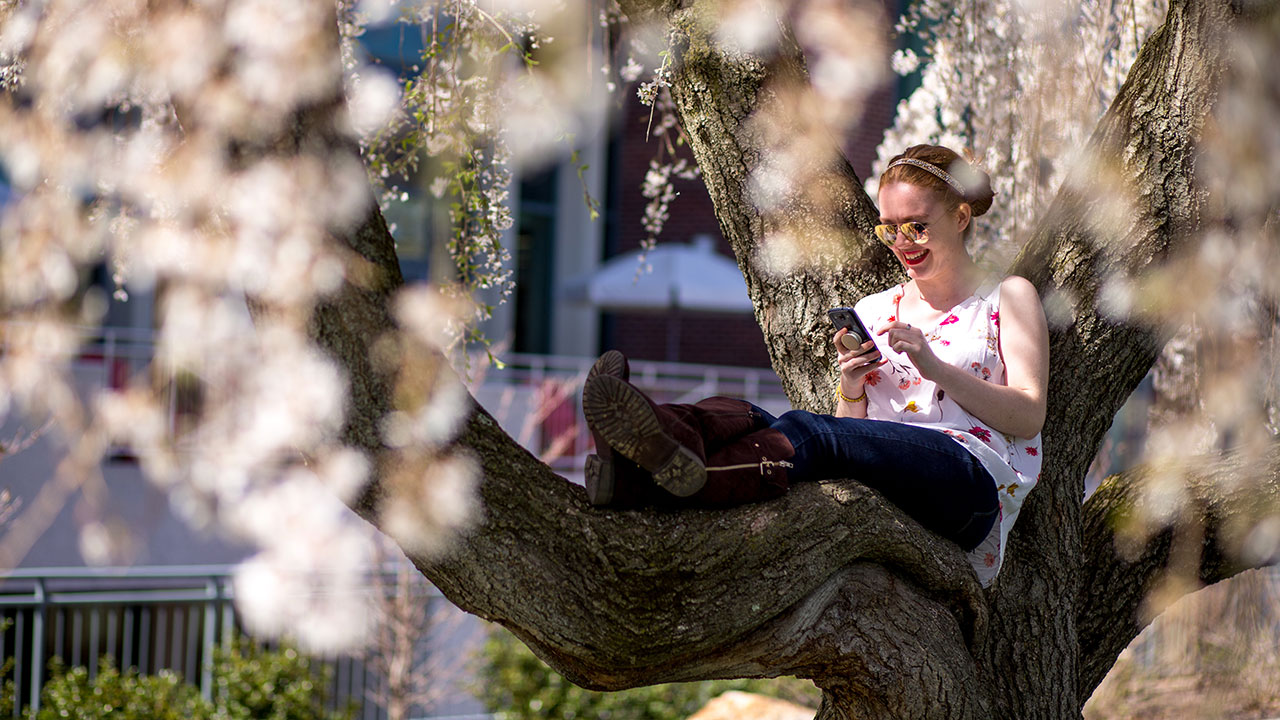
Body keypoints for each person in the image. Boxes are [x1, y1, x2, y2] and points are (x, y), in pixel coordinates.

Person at [581, 144, 1049, 585]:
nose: (902, 242)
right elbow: (853, 437)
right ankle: (633, 461)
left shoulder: (1007, 296)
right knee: (750, 419)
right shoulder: (875, 309)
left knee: (813, 433)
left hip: (969, 485)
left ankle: (659, 472)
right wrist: (851, 387)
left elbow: (1029, 416)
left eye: (917, 226)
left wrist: (936, 368)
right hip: (891, 478)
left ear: (961, 217)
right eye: (889, 227)